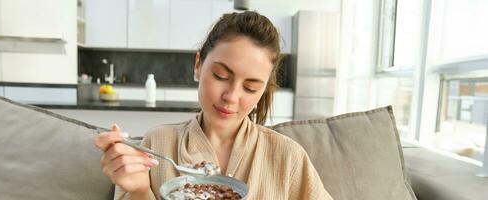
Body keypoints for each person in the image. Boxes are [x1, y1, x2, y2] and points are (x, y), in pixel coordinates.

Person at [95, 11, 333, 200]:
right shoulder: (157, 143)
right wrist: (138, 192)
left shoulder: (287, 157)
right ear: (198, 65)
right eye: (220, 75)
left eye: (250, 87)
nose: (231, 96)